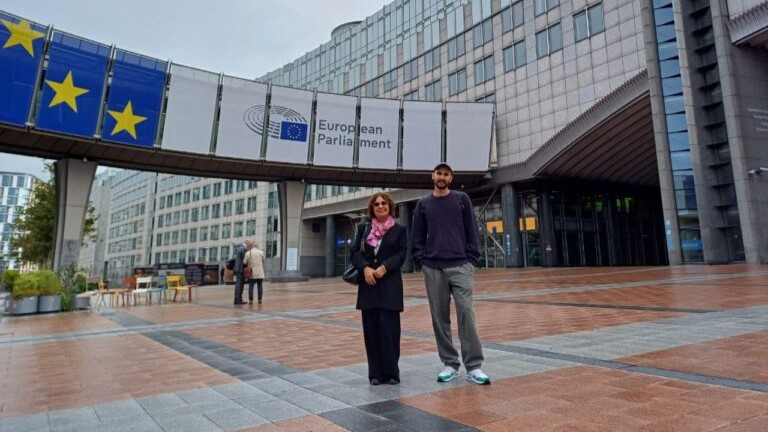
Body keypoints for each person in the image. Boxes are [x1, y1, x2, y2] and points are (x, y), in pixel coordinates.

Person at [411, 162, 490, 385]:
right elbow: (417, 234)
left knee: (466, 313)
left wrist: (472, 258)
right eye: (439, 173)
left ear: (451, 178)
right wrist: (420, 260)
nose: (442, 177)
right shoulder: (423, 204)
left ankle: (474, 366)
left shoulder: (461, 199)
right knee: (439, 318)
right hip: (433, 267)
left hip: (461, 266)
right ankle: (450, 364)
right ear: (432, 176)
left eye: (446, 174)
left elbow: (472, 229)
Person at [350, 192, 407, 386]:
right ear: (372, 209)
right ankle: (375, 373)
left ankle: (391, 372)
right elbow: (355, 253)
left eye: (384, 203)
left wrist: (385, 267)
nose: (380, 206)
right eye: (376, 204)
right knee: (371, 331)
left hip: (390, 286)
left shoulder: (400, 230)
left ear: (390, 206)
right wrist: (365, 268)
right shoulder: (364, 229)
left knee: (388, 330)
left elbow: (401, 255)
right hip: (369, 287)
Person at [233, 239, 252, 305]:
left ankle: (237, 299)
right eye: (249, 244)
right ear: (247, 243)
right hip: (240, 269)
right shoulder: (243, 249)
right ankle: (238, 299)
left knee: (238, 284)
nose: (250, 245)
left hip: (238, 268)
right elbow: (245, 260)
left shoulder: (239, 248)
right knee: (240, 285)